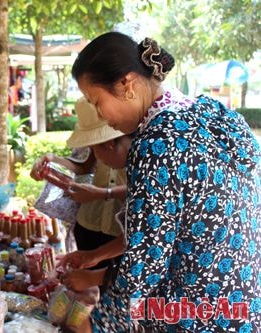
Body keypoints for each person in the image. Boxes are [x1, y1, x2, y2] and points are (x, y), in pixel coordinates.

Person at [66, 31, 260, 332]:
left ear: (126, 84)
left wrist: (100, 323)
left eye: (96, 101)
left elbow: (148, 257)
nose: (101, 117)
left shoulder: (158, 142)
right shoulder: (214, 114)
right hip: (244, 303)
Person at [30, 98, 130, 273]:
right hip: (90, 222)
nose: (97, 156)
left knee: (113, 285)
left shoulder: (145, 147)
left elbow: (144, 191)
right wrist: (53, 162)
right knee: (88, 288)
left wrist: (102, 193)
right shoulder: (98, 138)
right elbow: (83, 166)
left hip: (121, 232)